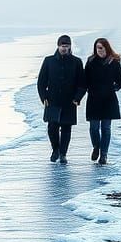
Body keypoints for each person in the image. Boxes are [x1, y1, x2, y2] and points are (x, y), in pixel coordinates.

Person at [37, 34, 85, 164]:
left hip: (69, 101)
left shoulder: (77, 62)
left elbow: (82, 84)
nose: (64, 48)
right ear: (58, 46)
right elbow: (41, 82)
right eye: (62, 46)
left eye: (67, 46)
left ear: (70, 47)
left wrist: (77, 98)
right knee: (52, 128)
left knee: (66, 128)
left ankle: (63, 154)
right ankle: (55, 150)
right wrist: (44, 97)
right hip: (52, 100)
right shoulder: (49, 61)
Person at [84, 37, 121, 165]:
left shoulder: (114, 62)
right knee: (94, 128)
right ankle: (96, 147)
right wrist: (88, 90)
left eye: (101, 48)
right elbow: (84, 80)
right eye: (97, 48)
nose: (99, 50)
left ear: (107, 48)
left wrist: (111, 89)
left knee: (106, 128)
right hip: (94, 99)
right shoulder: (90, 61)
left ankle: (104, 155)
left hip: (109, 100)